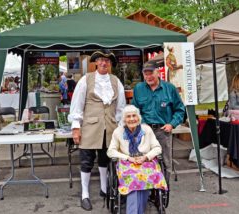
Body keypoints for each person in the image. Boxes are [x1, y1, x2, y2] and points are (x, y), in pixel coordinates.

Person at [68, 49, 126, 211]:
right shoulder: (86, 80)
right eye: (100, 60)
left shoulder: (116, 81)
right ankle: (85, 194)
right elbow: (77, 106)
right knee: (86, 161)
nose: (103, 63)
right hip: (89, 127)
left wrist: (121, 128)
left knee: (105, 159)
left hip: (110, 127)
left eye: (107, 61)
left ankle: (104, 189)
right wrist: (76, 128)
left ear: (110, 64)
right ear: (96, 62)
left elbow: (120, 108)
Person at [107, 105, 167, 214]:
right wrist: (128, 158)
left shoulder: (146, 129)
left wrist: (146, 157)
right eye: (128, 116)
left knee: (145, 175)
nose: (131, 119)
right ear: (124, 119)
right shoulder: (118, 131)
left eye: (134, 115)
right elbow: (110, 151)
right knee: (134, 176)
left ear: (138, 118)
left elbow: (158, 148)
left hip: (146, 162)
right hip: (127, 163)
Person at [132, 61, 185, 182]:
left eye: (151, 73)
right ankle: (147, 189)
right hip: (143, 131)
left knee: (165, 162)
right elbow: (134, 110)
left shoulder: (169, 88)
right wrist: (141, 124)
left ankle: (163, 190)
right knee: (143, 160)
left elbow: (180, 110)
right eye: (146, 74)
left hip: (163, 131)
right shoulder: (139, 89)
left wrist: (172, 124)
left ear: (158, 72)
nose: (148, 77)